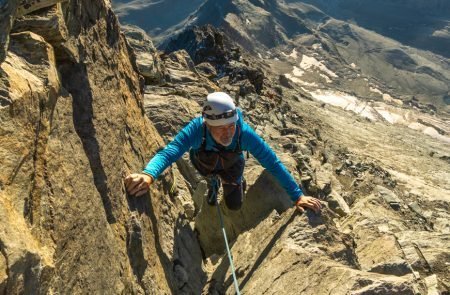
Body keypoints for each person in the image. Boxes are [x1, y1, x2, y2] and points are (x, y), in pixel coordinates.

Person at [125, 92, 321, 213]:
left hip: (232, 167)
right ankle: (212, 183)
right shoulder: (197, 129)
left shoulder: (244, 134)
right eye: (221, 128)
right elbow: (170, 152)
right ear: (208, 124)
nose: (228, 132)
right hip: (204, 163)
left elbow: (272, 163)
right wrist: (148, 175)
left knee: (234, 205)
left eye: (231, 126)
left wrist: (297, 197)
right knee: (211, 178)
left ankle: (232, 182)